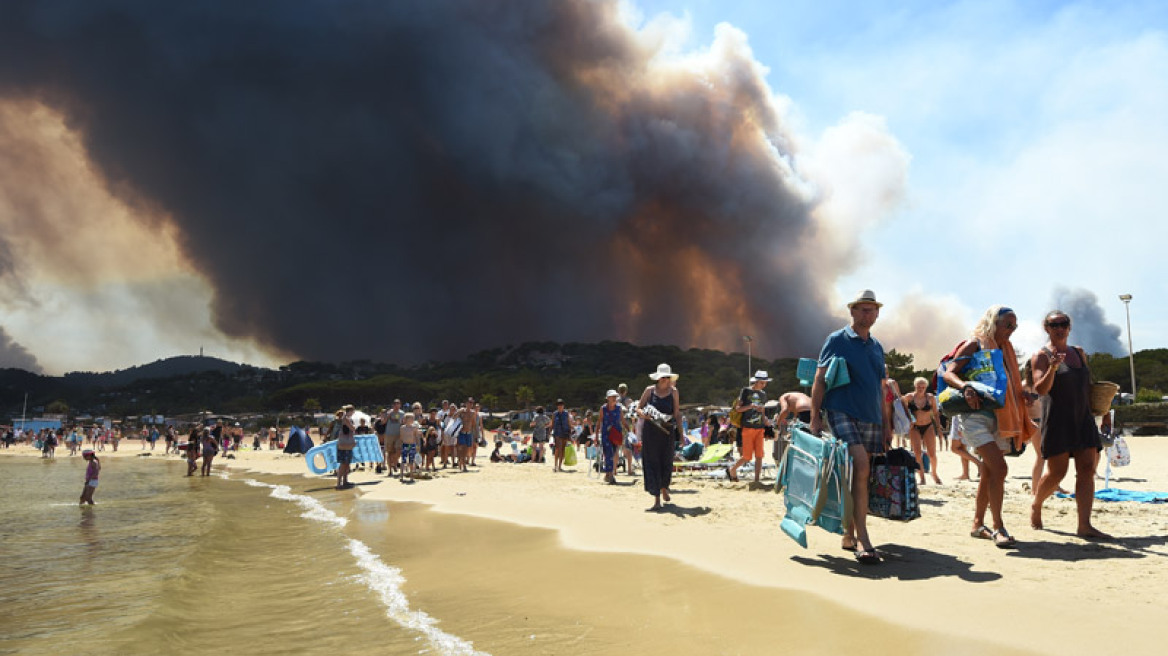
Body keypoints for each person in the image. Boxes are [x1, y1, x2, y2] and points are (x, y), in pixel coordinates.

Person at [942, 305, 1036, 549]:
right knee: (1000, 468)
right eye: (1008, 325)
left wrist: (1022, 397)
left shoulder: (1007, 351)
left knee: (989, 471)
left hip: (1000, 417)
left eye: (1015, 326)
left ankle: (977, 524)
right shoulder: (974, 344)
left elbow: (1008, 384)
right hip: (975, 417)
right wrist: (966, 387)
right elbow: (949, 373)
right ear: (993, 323)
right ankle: (998, 527)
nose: (1011, 330)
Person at [809, 290, 891, 565]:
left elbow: (881, 389)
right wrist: (815, 416)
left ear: (877, 314)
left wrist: (887, 424)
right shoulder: (837, 340)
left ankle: (848, 533)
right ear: (853, 312)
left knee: (860, 474)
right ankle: (864, 540)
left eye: (872, 310)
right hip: (841, 410)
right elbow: (820, 378)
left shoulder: (877, 346)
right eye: (862, 309)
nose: (867, 314)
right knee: (860, 465)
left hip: (871, 416)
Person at [1030, 311, 1111, 539]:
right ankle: (1036, 504)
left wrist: (1104, 413)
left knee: (1087, 470)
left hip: (1083, 418)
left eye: (1063, 323)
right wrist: (1053, 368)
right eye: (1054, 324)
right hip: (1058, 420)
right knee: (1057, 473)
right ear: (1046, 328)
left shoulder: (1079, 353)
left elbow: (1089, 386)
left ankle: (1084, 525)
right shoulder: (1041, 356)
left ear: (1069, 326)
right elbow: (1041, 389)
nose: (1060, 328)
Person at [638, 363, 682, 511]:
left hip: (667, 433)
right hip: (651, 433)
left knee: (666, 462)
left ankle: (664, 487)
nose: (665, 380)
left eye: (667, 377)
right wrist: (644, 414)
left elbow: (677, 413)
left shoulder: (674, 392)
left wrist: (681, 435)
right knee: (652, 463)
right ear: (658, 378)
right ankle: (656, 499)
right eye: (663, 377)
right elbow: (638, 407)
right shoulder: (649, 391)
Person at [729, 371, 772, 484]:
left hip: (760, 427)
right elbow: (738, 409)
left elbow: (762, 410)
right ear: (756, 381)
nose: (764, 385)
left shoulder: (763, 394)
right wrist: (750, 406)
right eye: (762, 382)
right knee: (747, 457)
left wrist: (765, 419)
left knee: (759, 455)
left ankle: (757, 480)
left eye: (765, 382)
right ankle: (732, 470)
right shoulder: (745, 391)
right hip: (747, 427)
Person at [902, 377, 944, 485]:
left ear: (926, 387)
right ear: (915, 386)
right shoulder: (909, 397)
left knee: (932, 453)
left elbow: (935, 414)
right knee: (917, 453)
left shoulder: (930, 398)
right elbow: (900, 407)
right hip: (914, 427)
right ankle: (921, 477)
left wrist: (939, 429)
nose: (921, 388)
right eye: (918, 386)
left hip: (928, 426)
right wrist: (907, 420)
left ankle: (934, 473)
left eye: (923, 387)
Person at [598, 389, 629, 484]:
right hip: (606, 434)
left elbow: (623, 421)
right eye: (612, 397)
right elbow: (599, 422)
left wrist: (629, 430)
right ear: (607, 398)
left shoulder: (619, 408)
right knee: (608, 454)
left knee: (615, 453)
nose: (614, 399)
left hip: (616, 434)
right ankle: (610, 475)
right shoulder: (603, 409)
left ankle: (608, 474)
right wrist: (595, 436)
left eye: (615, 397)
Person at [454, 398, 479, 472]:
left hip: (469, 433)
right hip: (462, 432)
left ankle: (461, 461)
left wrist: (476, 435)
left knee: (467, 450)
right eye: (469, 403)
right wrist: (459, 411)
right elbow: (454, 417)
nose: (470, 404)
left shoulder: (473, 413)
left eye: (471, 403)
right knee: (463, 448)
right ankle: (463, 465)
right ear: (466, 403)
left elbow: (474, 424)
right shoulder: (462, 411)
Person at [381, 400, 404, 476]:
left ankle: (394, 462)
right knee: (389, 452)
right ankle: (390, 470)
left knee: (398, 450)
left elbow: (403, 423)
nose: (396, 406)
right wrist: (388, 415)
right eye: (395, 404)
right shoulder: (389, 412)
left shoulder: (402, 413)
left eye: (398, 404)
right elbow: (383, 422)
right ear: (392, 405)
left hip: (398, 434)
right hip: (389, 434)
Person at [551, 399, 571, 472]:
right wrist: (549, 432)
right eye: (559, 405)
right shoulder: (554, 414)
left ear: (563, 406)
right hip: (557, 433)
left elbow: (568, 423)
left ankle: (559, 466)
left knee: (562, 449)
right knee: (557, 448)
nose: (560, 406)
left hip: (565, 433)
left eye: (561, 405)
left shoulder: (566, 413)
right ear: (557, 406)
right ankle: (555, 465)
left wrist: (570, 432)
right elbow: (552, 423)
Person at [399, 412, 420, 481]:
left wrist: (417, 444)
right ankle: (401, 475)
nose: (413, 419)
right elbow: (401, 437)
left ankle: (411, 475)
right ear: (406, 419)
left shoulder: (414, 427)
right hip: (405, 444)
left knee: (411, 460)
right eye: (411, 418)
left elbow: (416, 436)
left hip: (412, 445)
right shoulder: (402, 428)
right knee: (403, 460)